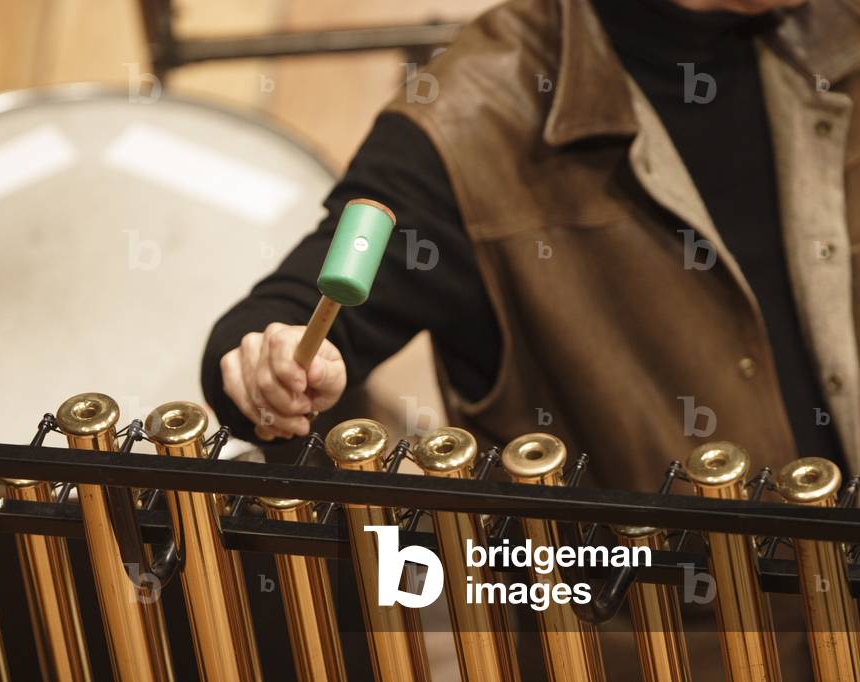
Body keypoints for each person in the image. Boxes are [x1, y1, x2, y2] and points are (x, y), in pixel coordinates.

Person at [203, 0, 858, 675]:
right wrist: (268, 363)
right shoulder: (468, 119)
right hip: (670, 644)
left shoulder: (833, 31)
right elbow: (288, 311)